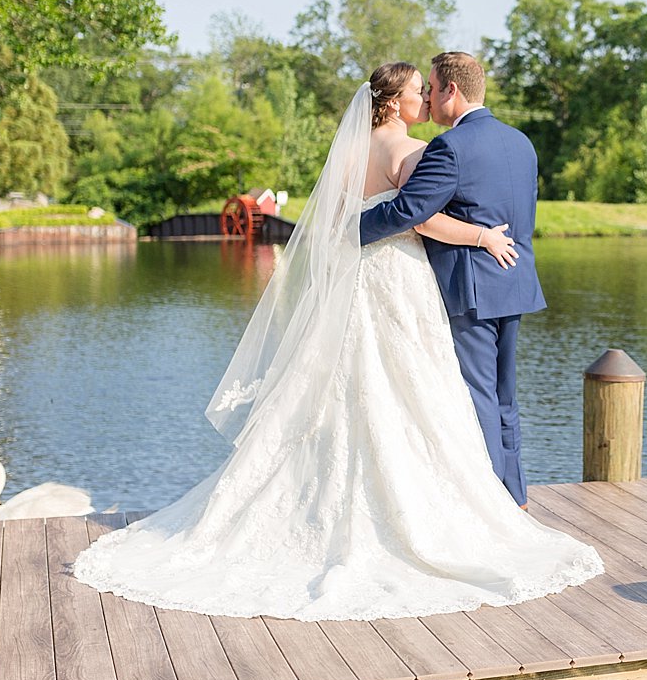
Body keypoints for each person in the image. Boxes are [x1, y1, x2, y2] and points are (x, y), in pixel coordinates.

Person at [70, 63, 603, 621]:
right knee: (434, 390)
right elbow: (418, 220)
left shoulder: (349, 151)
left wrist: (351, 237)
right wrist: (480, 235)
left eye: (429, 90)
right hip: (421, 276)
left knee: (348, 384)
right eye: (417, 92)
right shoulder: (429, 150)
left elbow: (348, 217)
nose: (424, 98)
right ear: (395, 102)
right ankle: (490, 499)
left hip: (357, 277)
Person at [359, 51, 542, 507]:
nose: (430, 100)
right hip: (514, 279)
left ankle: (491, 501)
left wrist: (345, 228)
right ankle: (513, 491)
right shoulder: (522, 142)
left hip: (470, 287)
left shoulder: (450, 147)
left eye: (434, 89)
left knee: (476, 392)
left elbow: (410, 212)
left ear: (452, 91)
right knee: (504, 395)